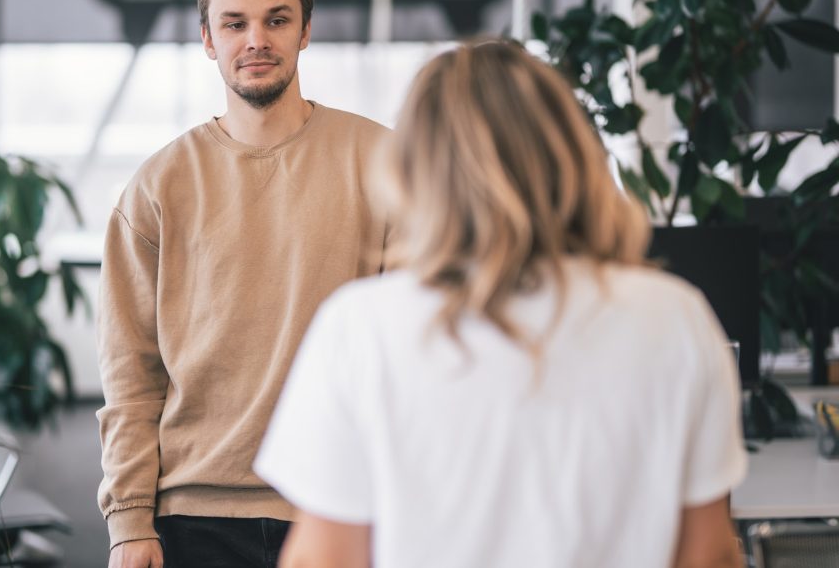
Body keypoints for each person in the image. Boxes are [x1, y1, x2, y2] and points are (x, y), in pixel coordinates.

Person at [256, 39, 748, 568]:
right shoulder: (673, 318)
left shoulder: (362, 327)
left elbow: (325, 560)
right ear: (571, 152)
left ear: (417, 169)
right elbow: (709, 556)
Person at [96, 0, 391, 568]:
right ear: (208, 39)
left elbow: (424, 344)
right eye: (235, 24)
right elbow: (131, 373)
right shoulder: (158, 185)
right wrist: (129, 520)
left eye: (277, 21)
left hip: (342, 502)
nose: (256, 40)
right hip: (193, 514)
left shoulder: (384, 163)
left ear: (305, 32)